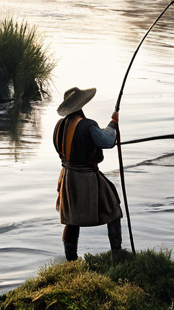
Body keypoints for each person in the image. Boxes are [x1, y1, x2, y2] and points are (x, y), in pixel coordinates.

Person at [53, 86, 124, 261]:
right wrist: (113, 122)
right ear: (81, 105)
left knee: (71, 220)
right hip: (87, 177)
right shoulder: (87, 125)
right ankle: (117, 253)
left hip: (67, 177)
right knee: (113, 209)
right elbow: (107, 140)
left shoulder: (59, 125)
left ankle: (71, 260)